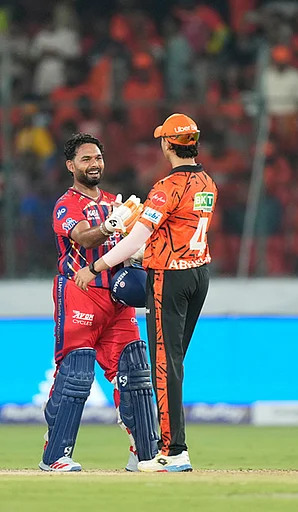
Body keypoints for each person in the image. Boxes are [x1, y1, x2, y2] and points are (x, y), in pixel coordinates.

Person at [75, 114, 218, 472]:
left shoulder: (167, 186)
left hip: (169, 279)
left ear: (168, 144)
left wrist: (95, 268)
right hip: (199, 274)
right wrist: (143, 248)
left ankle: (173, 451)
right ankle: (173, 446)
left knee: (164, 366)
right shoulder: (207, 182)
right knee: (173, 363)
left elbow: (137, 239)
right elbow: (174, 236)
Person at [42, 133, 158, 472]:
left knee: (136, 372)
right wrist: (110, 225)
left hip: (118, 298)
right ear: (70, 165)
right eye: (86, 159)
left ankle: (145, 454)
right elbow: (81, 236)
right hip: (80, 290)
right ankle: (55, 456)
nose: (94, 164)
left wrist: (136, 247)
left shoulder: (114, 201)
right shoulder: (67, 204)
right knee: (76, 373)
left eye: (98, 158)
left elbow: (128, 245)